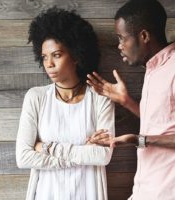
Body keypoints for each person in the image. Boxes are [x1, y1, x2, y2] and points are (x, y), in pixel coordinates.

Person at [16, 7, 115, 200]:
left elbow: (103, 156)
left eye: (57, 55)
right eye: (44, 57)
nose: (49, 63)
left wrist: (47, 148)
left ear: (76, 55)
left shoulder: (100, 99)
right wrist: (82, 154)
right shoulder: (36, 97)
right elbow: (23, 157)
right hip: (45, 194)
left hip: (88, 193)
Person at [87, 0, 175, 199]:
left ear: (143, 36)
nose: (119, 46)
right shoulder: (154, 70)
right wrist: (126, 101)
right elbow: (163, 124)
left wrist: (139, 140)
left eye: (122, 38)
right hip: (146, 189)